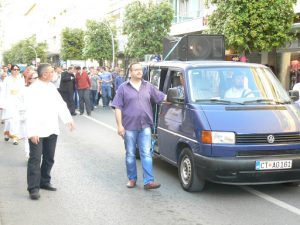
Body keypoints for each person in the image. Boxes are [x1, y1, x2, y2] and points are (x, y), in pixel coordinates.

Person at [112, 62, 166, 190]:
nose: (139, 72)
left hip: (145, 127)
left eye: (140, 70)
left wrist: (179, 98)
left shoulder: (148, 86)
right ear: (130, 72)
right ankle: (132, 179)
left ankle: (149, 181)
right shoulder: (123, 88)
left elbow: (161, 97)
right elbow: (117, 107)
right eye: (136, 70)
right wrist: (120, 126)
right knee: (130, 154)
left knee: (146, 154)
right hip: (129, 127)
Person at [25, 63, 75, 200]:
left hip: (51, 128)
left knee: (49, 157)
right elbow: (29, 112)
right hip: (37, 130)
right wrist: (32, 132)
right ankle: (33, 188)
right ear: (44, 74)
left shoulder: (51, 87)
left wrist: (68, 119)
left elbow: (60, 104)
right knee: (35, 159)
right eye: (52, 71)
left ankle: (44, 181)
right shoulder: (32, 90)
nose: (54, 73)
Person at [0, 65, 25, 145]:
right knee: (8, 120)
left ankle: (15, 137)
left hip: (17, 102)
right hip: (8, 102)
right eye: (14, 69)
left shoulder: (21, 79)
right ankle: (7, 133)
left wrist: (23, 102)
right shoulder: (7, 79)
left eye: (18, 69)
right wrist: (2, 103)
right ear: (11, 70)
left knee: (16, 120)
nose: (16, 71)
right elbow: (3, 91)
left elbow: (23, 92)